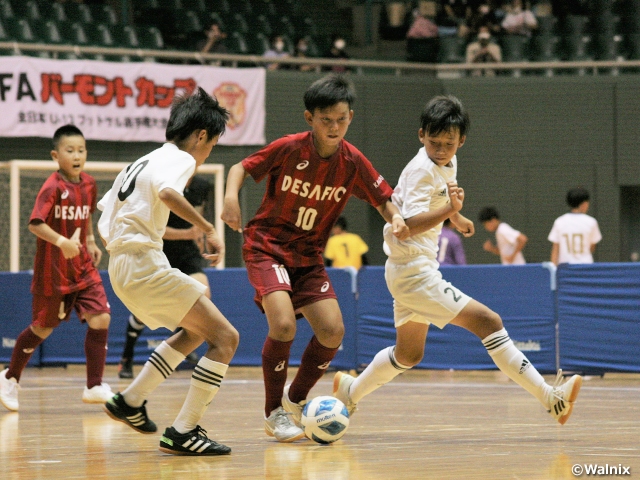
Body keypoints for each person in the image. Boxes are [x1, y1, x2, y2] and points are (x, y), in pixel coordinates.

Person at [332, 95, 582, 429]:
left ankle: (351, 391)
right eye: (433, 142)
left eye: (448, 144)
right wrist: (450, 211)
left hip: (413, 269)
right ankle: (552, 399)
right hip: (413, 272)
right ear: (421, 135)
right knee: (489, 322)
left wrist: (456, 217)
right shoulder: (422, 170)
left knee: (408, 354)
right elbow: (406, 227)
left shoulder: (448, 162)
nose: (440, 149)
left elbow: (442, 200)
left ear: (460, 141)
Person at [221, 74, 409, 443]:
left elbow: (382, 198)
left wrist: (397, 218)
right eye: (326, 120)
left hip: (308, 257)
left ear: (350, 117)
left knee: (333, 331)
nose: (334, 127)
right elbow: (240, 167)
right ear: (310, 119)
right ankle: (273, 411)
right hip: (266, 245)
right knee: (284, 325)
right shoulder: (290, 148)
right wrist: (230, 198)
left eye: (341, 119)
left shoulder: (353, 162)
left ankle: (294, 401)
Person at [97, 87, 239, 456]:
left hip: (120, 266)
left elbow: (105, 218)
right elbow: (168, 195)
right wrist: (207, 228)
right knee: (226, 338)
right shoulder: (180, 159)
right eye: (211, 147)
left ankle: (131, 400)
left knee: (196, 330)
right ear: (201, 135)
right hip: (144, 264)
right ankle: (183, 431)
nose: (207, 156)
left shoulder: (141, 161)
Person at [0, 125, 113, 412]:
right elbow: (34, 223)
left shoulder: (89, 183)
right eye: (70, 150)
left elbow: (86, 215)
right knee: (43, 328)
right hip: (54, 273)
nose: (77, 155)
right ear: (55, 154)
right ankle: (10, 377)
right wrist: (62, 241)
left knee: (101, 317)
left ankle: (94, 385)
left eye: (81, 150)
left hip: (84, 267)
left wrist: (89, 240)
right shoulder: (51, 187)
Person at [117, 174, 213, 379]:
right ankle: (126, 357)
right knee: (144, 311)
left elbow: (198, 220)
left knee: (202, 294)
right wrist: (187, 234)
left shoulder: (201, 186)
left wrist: (201, 237)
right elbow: (155, 230)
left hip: (188, 253)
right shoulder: (162, 184)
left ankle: (176, 347)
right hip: (160, 251)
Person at [548, 187, 602, 265]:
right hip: (585, 266)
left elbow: (555, 248)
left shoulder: (559, 221)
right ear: (584, 204)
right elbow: (592, 247)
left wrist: (554, 269)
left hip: (565, 268)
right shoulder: (591, 222)